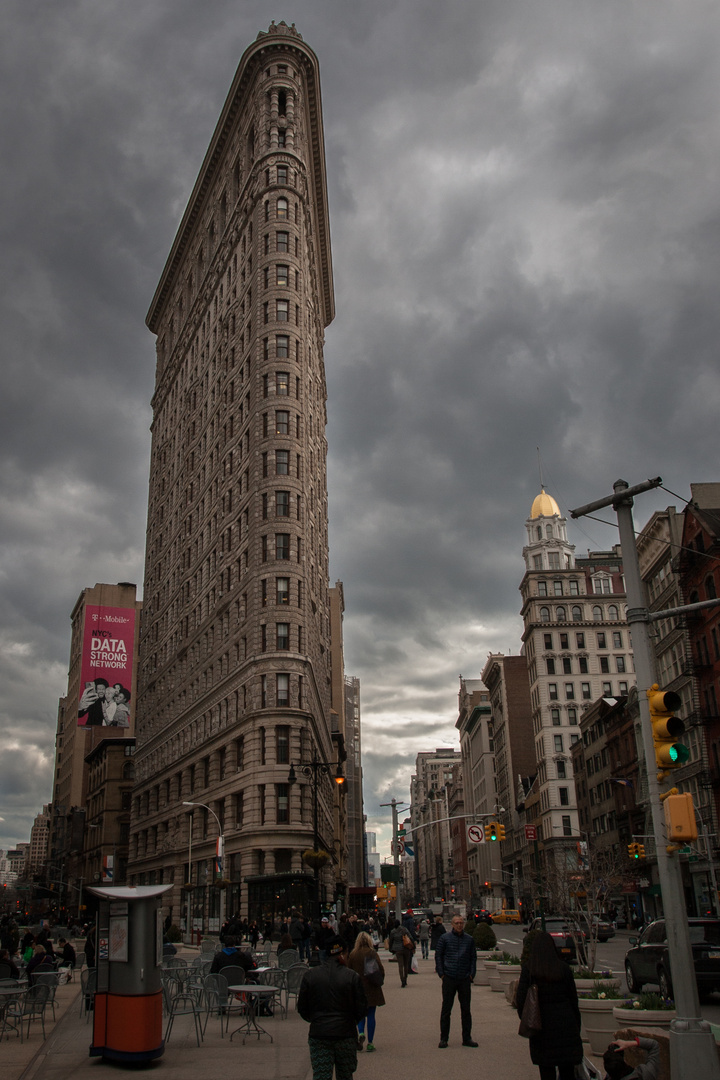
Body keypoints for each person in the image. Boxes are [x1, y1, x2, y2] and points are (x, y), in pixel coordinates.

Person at [298, 935, 368, 1080]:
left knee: (321, 1076)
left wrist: (316, 1019)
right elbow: (362, 1007)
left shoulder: (310, 976)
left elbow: (302, 1007)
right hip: (345, 1034)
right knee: (345, 1075)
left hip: (319, 1034)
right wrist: (350, 1021)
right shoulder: (352, 977)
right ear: (344, 953)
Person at [516, 930, 583, 1080]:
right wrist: (575, 1026)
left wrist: (528, 1020)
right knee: (568, 1072)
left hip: (542, 1029)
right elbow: (573, 999)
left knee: (546, 1071)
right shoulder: (563, 968)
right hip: (566, 1026)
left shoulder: (530, 970)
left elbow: (521, 1000)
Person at [435, 914, 477, 1048]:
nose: (459, 925)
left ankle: (467, 1038)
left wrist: (472, 974)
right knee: (446, 1009)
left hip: (464, 978)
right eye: (457, 923)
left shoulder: (469, 940)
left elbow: (473, 958)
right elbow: (438, 956)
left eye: (461, 923)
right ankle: (444, 1038)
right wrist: (441, 973)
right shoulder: (445, 938)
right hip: (449, 977)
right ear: (452, 925)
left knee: (466, 1010)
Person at [348, 931, 384, 1053]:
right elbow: (380, 969)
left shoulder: (353, 954)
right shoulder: (371, 953)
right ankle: (370, 1042)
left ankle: (361, 1032)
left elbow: (348, 971)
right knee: (371, 1015)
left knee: (360, 1014)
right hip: (371, 988)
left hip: (357, 988)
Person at [387, 920, 415, 988]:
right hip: (406, 948)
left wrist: (391, 949)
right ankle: (405, 978)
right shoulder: (404, 929)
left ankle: (402, 980)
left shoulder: (393, 932)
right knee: (406, 964)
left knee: (400, 965)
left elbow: (391, 941)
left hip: (398, 949)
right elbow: (410, 937)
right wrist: (413, 946)